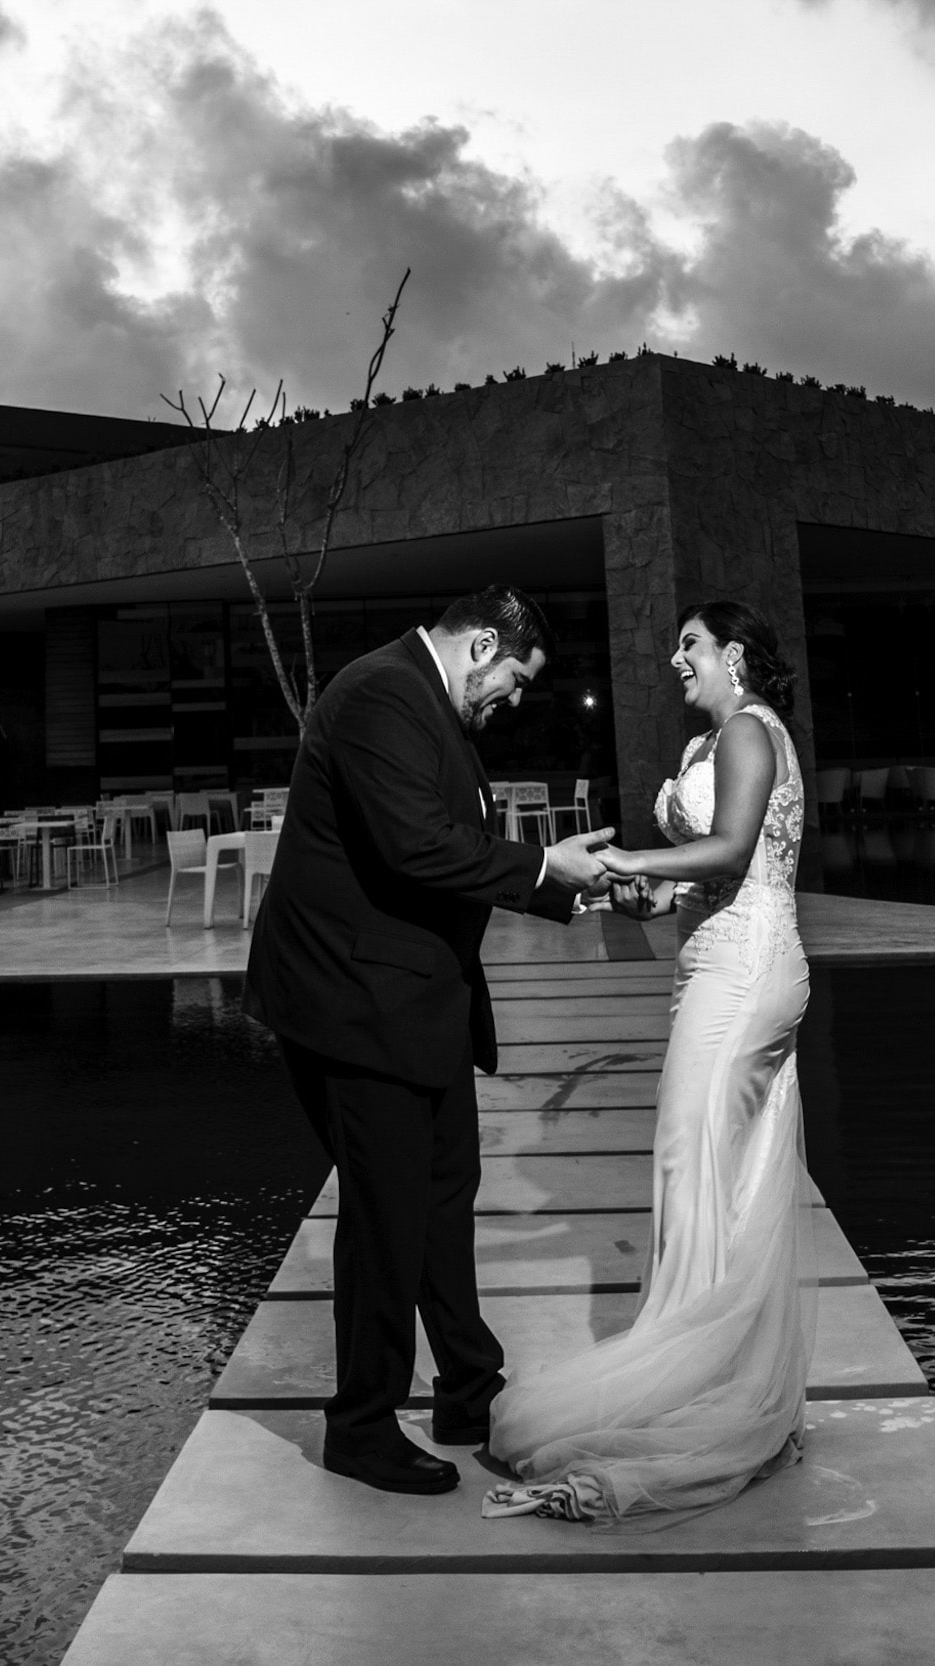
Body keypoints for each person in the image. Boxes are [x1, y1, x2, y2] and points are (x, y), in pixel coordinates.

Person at [243, 585, 619, 1497]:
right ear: (482, 645)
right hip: (354, 1005)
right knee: (387, 1218)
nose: (514, 701)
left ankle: (467, 1392)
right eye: (516, 679)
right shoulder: (381, 692)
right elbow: (416, 845)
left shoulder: (426, 701)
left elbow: (447, 846)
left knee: (444, 1197)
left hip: (414, 1004)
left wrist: (574, 889)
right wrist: (544, 865)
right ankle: (361, 1428)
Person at [481, 597, 820, 1527]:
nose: (676, 658)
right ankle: (724, 1371)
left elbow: (734, 847)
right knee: (715, 1174)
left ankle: (698, 1387)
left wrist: (632, 856)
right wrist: (640, 899)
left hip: (746, 970)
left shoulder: (749, 730)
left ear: (735, 655)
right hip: (711, 962)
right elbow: (706, 878)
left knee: (688, 1162)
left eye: (691, 644)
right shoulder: (706, 745)